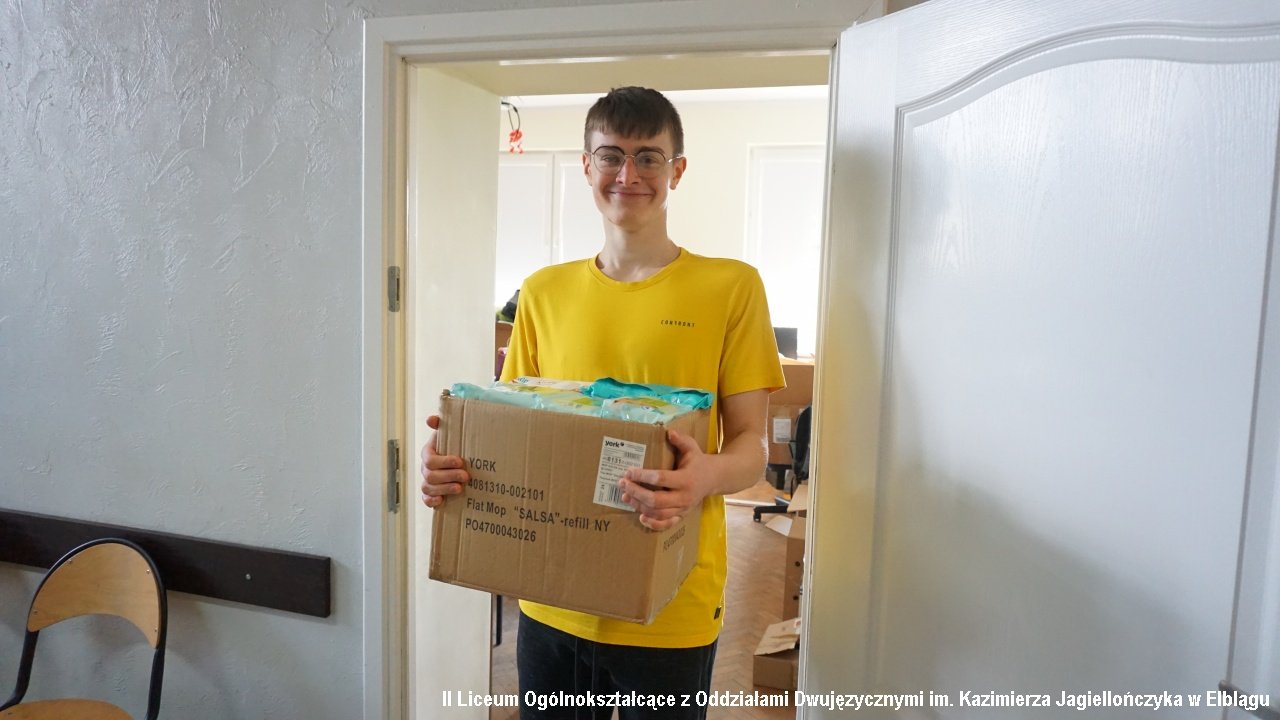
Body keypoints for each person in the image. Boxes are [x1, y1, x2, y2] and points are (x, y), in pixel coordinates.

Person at [421, 86, 785, 719]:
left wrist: (703, 477)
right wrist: (452, 459)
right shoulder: (543, 292)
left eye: (649, 157)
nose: (628, 174)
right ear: (587, 166)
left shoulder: (732, 287)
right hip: (550, 601)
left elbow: (754, 446)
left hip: (671, 607)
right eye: (611, 155)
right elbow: (516, 428)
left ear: (677, 170)